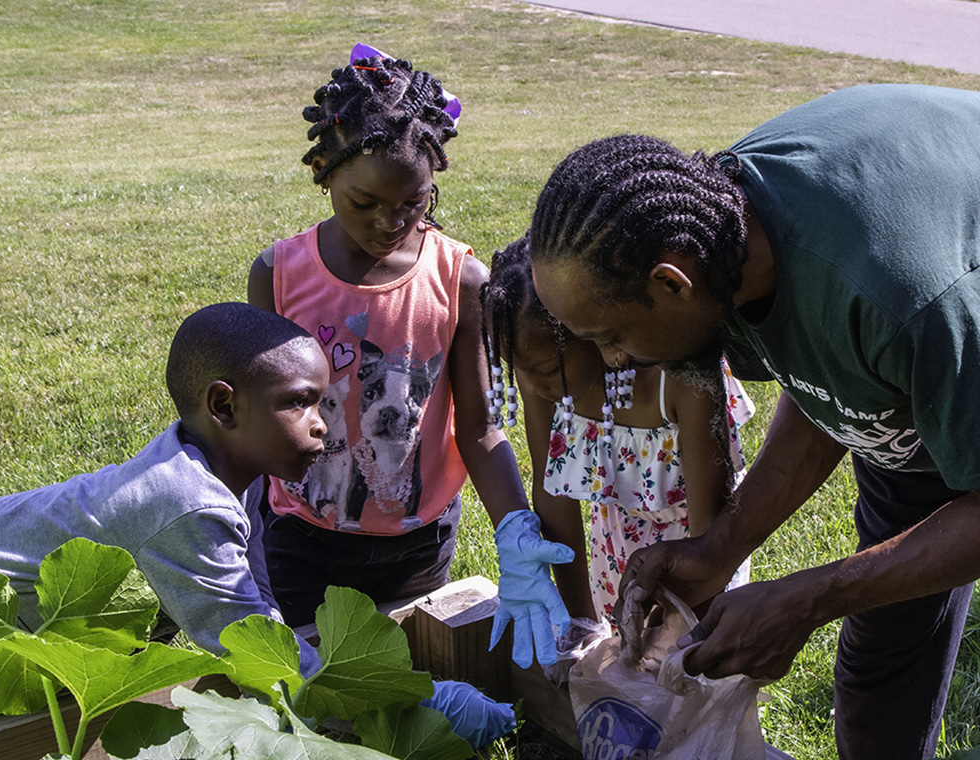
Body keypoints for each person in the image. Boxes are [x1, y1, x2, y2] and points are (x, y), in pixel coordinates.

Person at [526, 83, 980, 760]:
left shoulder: (906, 302)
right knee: (882, 661)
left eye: (612, 336)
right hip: (923, 355)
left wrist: (808, 596)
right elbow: (825, 366)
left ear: (669, 284)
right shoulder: (720, 238)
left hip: (951, 316)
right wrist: (721, 547)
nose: (611, 361)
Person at [246, 44, 572, 669]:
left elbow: (477, 427)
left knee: (411, 681)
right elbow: (259, 421)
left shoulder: (461, 279)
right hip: (300, 539)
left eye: (412, 204)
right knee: (319, 691)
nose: (388, 222)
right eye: (363, 203)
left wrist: (516, 530)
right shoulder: (278, 274)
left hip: (418, 543)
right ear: (323, 169)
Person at [0, 302, 330, 724]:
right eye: (299, 403)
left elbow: (253, 601)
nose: (320, 424)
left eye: (320, 404)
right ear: (223, 405)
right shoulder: (187, 504)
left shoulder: (236, 472)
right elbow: (241, 641)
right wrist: (350, 713)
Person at [482, 236, 754, 632]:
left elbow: (708, 528)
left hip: (698, 549)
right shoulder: (542, 374)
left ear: (590, 328)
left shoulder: (679, 377)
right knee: (618, 661)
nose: (535, 384)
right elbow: (553, 492)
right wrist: (580, 622)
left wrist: (682, 626)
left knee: (691, 669)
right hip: (615, 547)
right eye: (520, 369)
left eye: (542, 368)